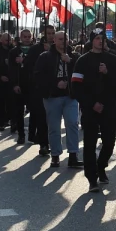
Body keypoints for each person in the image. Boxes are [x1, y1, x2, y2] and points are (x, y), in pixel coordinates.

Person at [71, 28, 116, 192]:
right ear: (92, 41)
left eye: (103, 38)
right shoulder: (82, 60)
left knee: (109, 141)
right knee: (89, 143)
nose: (100, 41)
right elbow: (75, 86)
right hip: (90, 108)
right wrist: (90, 103)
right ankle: (92, 178)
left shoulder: (113, 60)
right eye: (97, 38)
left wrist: (108, 73)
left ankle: (101, 166)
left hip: (108, 106)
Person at [34, 31, 82, 169]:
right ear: (54, 40)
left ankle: (73, 155)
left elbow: (81, 73)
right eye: (60, 39)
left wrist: (70, 62)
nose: (63, 41)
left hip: (70, 96)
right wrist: (55, 84)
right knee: (54, 127)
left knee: (72, 123)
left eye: (65, 39)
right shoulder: (45, 56)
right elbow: (38, 76)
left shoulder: (74, 56)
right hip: (52, 97)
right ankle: (55, 155)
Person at [25, 25, 54, 154]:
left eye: (53, 33)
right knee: (42, 117)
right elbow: (28, 68)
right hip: (39, 88)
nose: (51, 36)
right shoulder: (35, 49)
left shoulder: (60, 48)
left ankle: (53, 143)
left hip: (57, 90)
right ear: (44, 34)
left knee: (53, 119)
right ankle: (44, 144)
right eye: (49, 33)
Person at [6, 29, 35, 145]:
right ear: (21, 37)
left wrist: (25, 60)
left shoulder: (34, 50)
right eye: (25, 37)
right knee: (19, 111)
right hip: (19, 84)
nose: (27, 39)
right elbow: (11, 70)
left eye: (29, 37)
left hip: (32, 85)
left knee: (34, 111)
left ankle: (32, 134)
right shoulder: (14, 51)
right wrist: (14, 84)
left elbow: (36, 63)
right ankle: (21, 134)